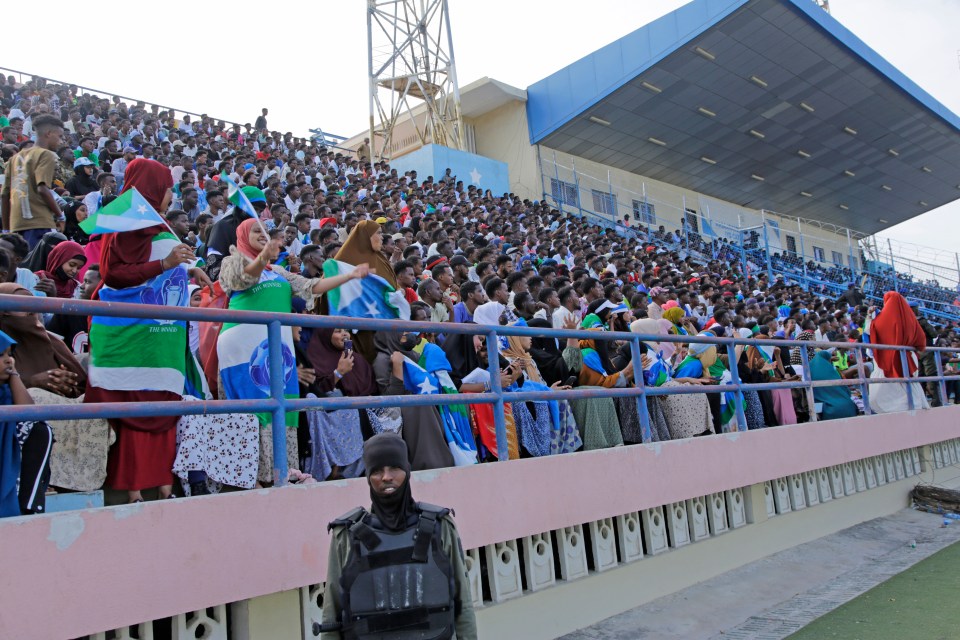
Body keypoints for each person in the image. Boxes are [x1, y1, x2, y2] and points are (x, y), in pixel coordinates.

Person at [84, 158, 202, 503]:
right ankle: (131, 488)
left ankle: (162, 483)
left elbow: (163, 268)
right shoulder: (124, 220)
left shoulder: (157, 223)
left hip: (162, 339)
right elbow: (114, 274)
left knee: (162, 407)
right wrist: (165, 264)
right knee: (136, 407)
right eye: (168, 188)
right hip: (133, 334)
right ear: (152, 187)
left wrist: (190, 274)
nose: (172, 196)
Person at [217, 218, 369, 484]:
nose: (263, 236)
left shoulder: (277, 271)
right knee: (255, 407)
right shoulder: (234, 259)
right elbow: (240, 280)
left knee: (284, 406)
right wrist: (264, 255)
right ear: (243, 235)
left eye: (265, 232)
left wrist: (349, 275)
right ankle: (253, 477)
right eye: (257, 232)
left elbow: (311, 287)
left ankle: (282, 473)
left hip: (278, 343)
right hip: (244, 345)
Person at [320, 433, 477, 639]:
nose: (386, 477)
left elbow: (462, 603)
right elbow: (333, 612)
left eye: (394, 468)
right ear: (367, 477)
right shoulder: (346, 534)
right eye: (376, 471)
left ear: (407, 471)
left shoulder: (441, 526)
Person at [0, 328, 55, 517]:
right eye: (1, 355)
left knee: (40, 430)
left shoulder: (6, 390)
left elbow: (28, 413)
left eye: (10, 354)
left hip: (7, 449)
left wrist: (14, 374)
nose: (9, 360)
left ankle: (29, 507)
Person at [2, 114, 65, 248]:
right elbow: (42, 188)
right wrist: (60, 216)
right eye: (59, 136)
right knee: (38, 266)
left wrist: (7, 229)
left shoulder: (14, 159)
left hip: (16, 225)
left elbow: (4, 195)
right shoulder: (46, 154)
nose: (61, 141)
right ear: (48, 133)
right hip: (39, 223)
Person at [867, 291, 930, 413]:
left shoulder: (881, 319)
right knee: (909, 382)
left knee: (888, 384)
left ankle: (894, 409)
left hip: (888, 356)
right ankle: (914, 405)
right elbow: (921, 339)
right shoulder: (911, 319)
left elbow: (869, 332)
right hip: (909, 356)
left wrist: (869, 316)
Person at [810, 349, 858, 420]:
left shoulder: (811, 370)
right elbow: (847, 391)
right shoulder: (832, 372)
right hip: (848, 408)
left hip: (829, 411)